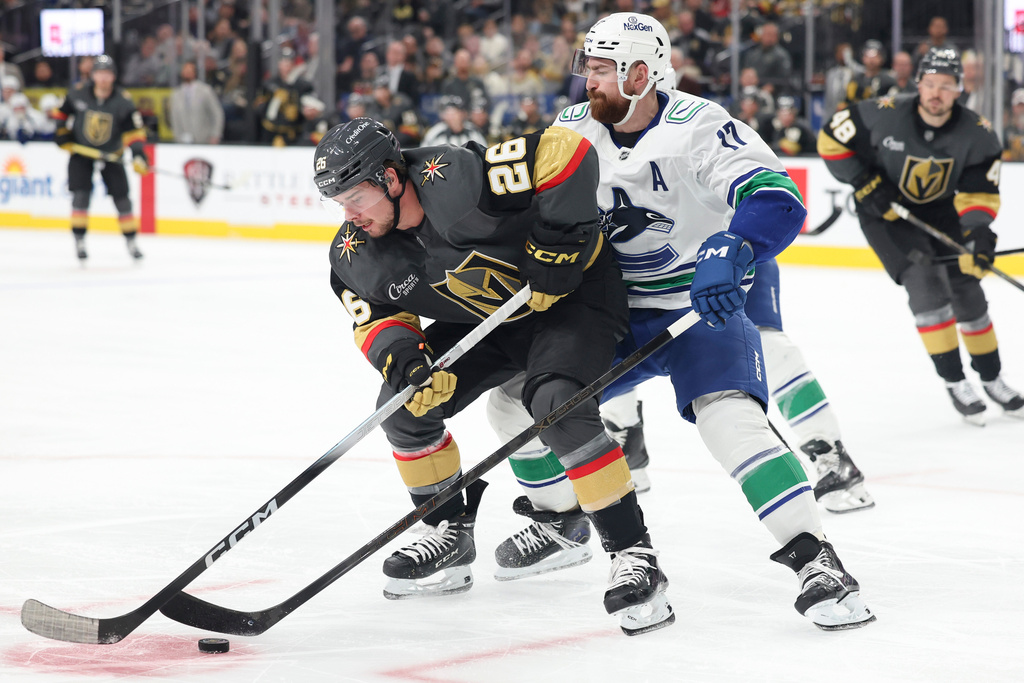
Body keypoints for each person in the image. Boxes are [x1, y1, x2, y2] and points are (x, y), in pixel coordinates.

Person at [486, 12, 876, 631]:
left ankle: (814, 559)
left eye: (602, 69)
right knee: (513, 401)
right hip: (605, 313)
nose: (589, 80)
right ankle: (562, 523)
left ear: (642, 73)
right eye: (586, 67)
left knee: (731, 417)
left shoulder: (699, 126)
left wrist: (734, 247)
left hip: (698, 308)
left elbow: (777, 196)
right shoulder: (568, 130)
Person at [313, 117, 674, 636]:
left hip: (574, 300)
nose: (348, 216)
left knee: (557, 403)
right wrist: (408, 362)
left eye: (355, 197)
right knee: (401, 406)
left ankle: (633, 553)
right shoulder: (355, 254)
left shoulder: (455, 179)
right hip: (491, 322)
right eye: (338, 202)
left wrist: (558, 245)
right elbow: (376, 321)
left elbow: (565, 153)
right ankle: (447, 531)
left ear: (392, 179)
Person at [818, 47, 1024, 424]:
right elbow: (831, 140)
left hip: (942, 212)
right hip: (886, 215)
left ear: (960, 88)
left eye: (946, 86)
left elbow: (980, 192)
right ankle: (955, 381)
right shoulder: (882, 113)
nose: (936, 93)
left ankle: (992, 377)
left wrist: (978, 232)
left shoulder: (978, 134)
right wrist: (862, 181)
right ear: (918, 84)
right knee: (926, 283)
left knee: (968, 290)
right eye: (930, 84)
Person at [50, 55, 150, 262]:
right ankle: (79, 241)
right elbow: (60, 114)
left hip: (112, 154)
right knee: (81, 196)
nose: (103, 78)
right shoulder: (78, 93)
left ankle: (131, 242)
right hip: (81, 153)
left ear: (113, 76)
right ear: (93, 75)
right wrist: (62, 135)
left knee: (122, 198)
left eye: (107, 74)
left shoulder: (123, 101)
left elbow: (135, 133)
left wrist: (139, 155)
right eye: (100, 73)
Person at [168, 61, 224, 144]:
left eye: (189, 70)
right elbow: (174, 118)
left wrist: (215, 134)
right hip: (182, 141)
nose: (187, 72)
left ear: (195, 72)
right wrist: (178, 137)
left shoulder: (205, 91)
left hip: (204, 140)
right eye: (185, 70)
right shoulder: (176, 94)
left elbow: (217, 113)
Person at [843, 40, 898, 107]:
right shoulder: (856, 80)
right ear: (863, 58)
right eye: (868, 56)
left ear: (881, 58)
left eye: (875, 56)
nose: (871, 60)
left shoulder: (888, 81)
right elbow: (848, 103)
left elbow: (894, 102)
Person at [420, 95, 486, 147]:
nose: (452, 117)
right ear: (443, 116)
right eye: (449, 113)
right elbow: (424, 156)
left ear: (463, 114)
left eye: (455, 113)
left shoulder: (473, 131)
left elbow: (483, 153)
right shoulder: (435, 133)